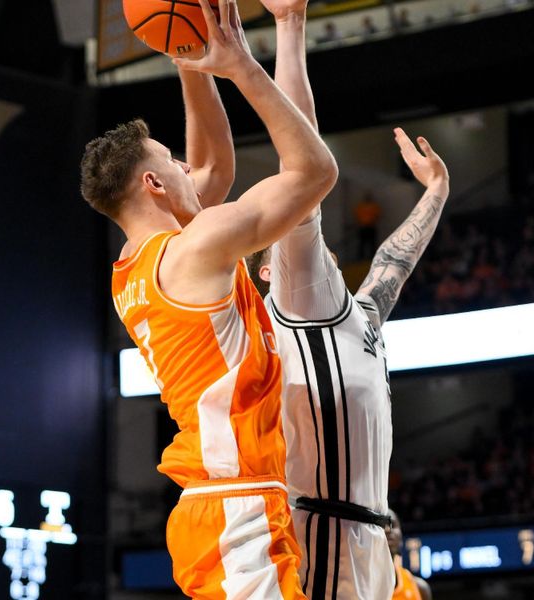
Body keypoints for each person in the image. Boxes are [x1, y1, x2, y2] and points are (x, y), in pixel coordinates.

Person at [79, 0, 338, 596]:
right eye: (172, 161)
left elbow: (214, 164)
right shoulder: (196, 250)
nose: (185, 165)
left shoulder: (131, 269)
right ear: (152, 184)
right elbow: (314, 173)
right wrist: (241, 65)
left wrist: (191, 56)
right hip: (234, 506)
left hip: (226, 503)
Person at [249, 0, 449, 596]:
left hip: (367, 548)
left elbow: (394, 262)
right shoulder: (296, 299)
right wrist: (289, 26)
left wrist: (437, 190)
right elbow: (299, 160)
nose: (312, 251)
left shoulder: (354, 316)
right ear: (271, 273)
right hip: (320, 544)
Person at [385, 509, 433, 600]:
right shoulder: (359, 586)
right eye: (381, 526)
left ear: (401, 538)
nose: (388, 530)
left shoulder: (420, 588)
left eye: (392, 524)